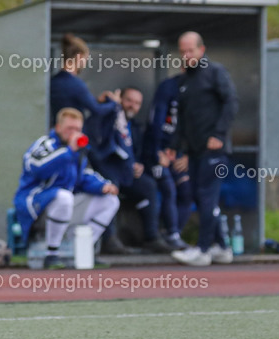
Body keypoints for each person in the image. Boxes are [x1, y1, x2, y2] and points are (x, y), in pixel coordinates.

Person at [48, 34, 131, 254]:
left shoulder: (54, 82)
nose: (85, 63)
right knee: (101, 186)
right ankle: (103, 242)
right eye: (84, 59)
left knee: (68, 189)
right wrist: (114, 104)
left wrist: (98, 101)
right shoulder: (75, 83)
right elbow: (96, 110)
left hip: (57, 145)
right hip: (75, 147)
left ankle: (72, 245)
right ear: (78, 57)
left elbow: (87, 104)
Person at [13, 107, 120, 269]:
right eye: (70, 128)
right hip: (36, 208)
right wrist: (68, 151)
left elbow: (84, 177)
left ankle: (84, 251)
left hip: (63, 207)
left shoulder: (78, 153)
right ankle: (51, 254)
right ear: (58, 127)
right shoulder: (45, 144)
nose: (74, 133)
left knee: (111, 200)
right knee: (64, 197)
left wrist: (103, 186)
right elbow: (37, 168)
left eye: (77, 129)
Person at [168, 31, 239, 266]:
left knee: (207, 195)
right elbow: (183, 118)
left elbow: (231, 102)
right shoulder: (185, 80)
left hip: (214, 149)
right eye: (183, 51)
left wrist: (219, 135)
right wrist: (176, 146)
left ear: (201, 49)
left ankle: (203, 249)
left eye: (190, 50)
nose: (186, 55)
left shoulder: (215, 72)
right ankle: (222, 248)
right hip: (195, 150)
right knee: (200, 197)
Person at [91, 87, 175, 253]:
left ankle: (151, 237)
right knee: (110, 184)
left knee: (149, 186)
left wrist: (138, 165)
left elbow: (136, 154)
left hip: (127, 174)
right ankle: (109, 240)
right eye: (129, 100)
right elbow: (98, 146)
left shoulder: (135, 127)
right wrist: (108, 105)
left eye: (137, 103)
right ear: (120, 99)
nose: (132, 106)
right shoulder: (107, 117)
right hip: (107, 171)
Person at [141, 75, 192, 248]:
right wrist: (157, 152)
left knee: (186, 189)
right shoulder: (169, 87)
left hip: (178, 152)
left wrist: (187, 155)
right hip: (156, 150)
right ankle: (170, 234)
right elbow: (155, 120)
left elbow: (197, 126)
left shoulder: (201, 89)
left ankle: (171, 234)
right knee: (168, 187)